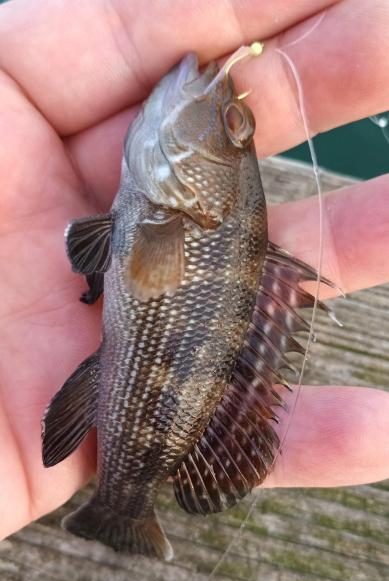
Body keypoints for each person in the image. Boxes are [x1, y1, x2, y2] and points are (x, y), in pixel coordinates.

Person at [0, 0, 388, 541]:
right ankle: (125, 510)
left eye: (234, 125)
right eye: (238, 123)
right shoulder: (170, 213)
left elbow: (100, 254)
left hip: (125, 373)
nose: (225, 106)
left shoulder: (171, 218)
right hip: (125, 364)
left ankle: (123, 508)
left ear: (210, 196)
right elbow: (98, 252)